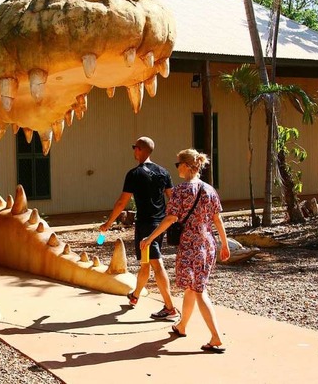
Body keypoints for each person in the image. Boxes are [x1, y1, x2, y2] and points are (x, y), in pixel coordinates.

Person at [141, 149, 231, 353]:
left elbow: (171, 218)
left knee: (199, 291)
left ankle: (216, 337)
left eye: (177, 164)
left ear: (187, 166)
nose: (176, 168)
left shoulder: (181, 191)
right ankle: (182, 325)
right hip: (208, 244)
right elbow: (217, 219)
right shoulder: (209, 190)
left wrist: (150, 237)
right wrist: (224, 244)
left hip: (191, 246)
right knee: (193, 287)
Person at [99, 136, 178, 320]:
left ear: (140, 150)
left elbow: (121, 203)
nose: (133, 150)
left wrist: (108, 223)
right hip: (160, 224)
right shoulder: (163, 172)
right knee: (145, 263)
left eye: (135, 147)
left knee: (157, 265)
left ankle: (170, 308)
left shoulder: (134, 174)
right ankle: (135, 296)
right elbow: (172, 198)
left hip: (146, 227)